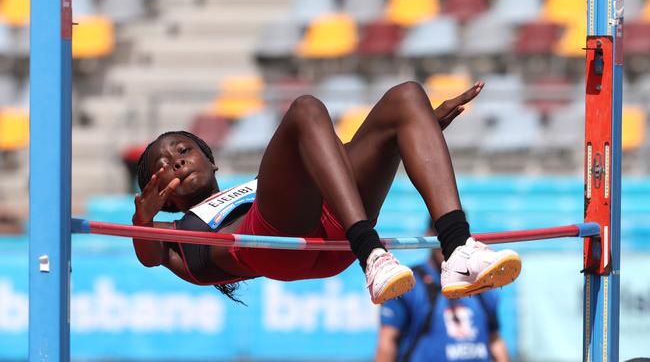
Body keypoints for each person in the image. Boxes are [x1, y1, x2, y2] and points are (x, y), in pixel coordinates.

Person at [131, 81, 521, 304]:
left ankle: (458, 249)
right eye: (163, 165)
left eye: (184, 150)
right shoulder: (178, 232)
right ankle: (371, 256)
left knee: (407, 98)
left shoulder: (256, 185)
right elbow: (151, 257)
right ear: (161, 193)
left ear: (211, 159)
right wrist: (143, 220)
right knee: (305, 109)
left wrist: (410, 132)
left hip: (333, 225)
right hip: (273, 242)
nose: (178, 161)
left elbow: (337, 163)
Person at [375, 221, 510, 362]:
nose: (446, 243)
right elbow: (388, 340)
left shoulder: (482, 283)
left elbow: (494, 339)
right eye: (440, 233)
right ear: (428, 235)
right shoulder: (407, 284)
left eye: (453, 234)